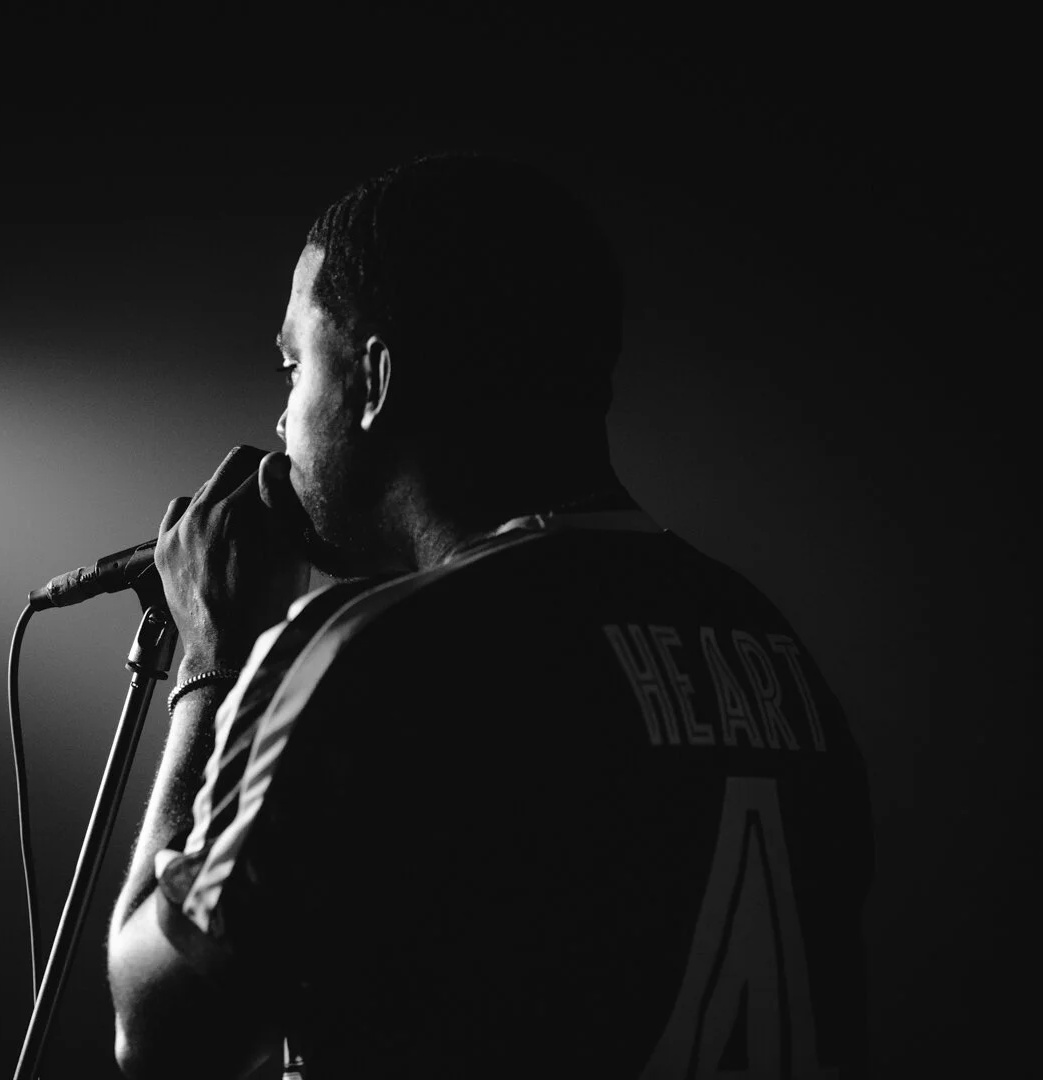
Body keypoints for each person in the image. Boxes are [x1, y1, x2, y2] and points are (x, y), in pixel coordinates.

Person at [106, 154, 873, 1079]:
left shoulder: (367, 651)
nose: (280, 421)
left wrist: (211, 657)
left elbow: (160, 1034)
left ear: (375, 380)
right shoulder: (767, 645)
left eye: (293, 365)